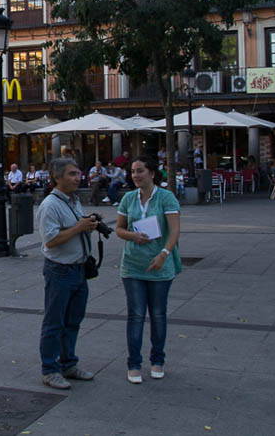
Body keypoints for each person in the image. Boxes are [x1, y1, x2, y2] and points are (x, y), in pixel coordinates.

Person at [114, 156, 182, 384]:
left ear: (152, 173)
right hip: (133, 265)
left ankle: (157, 360)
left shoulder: (166, 198)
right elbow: (119, 229)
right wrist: (133, 235)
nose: (135, 175)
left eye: (140, 171)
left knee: (158, 313)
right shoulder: (128, 199)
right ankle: (134, 364)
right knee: (135, 315)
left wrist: (164, 253)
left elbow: (174, 231)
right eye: (133, 171)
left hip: (159, 264)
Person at [36, 156, 97, 389]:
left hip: (79, 269)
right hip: (60, 270)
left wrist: (87, 224)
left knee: (73, 320)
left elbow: (74, 227)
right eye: (71, 174)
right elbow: (50, 240)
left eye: (78, 173)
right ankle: (50, 369)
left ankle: (68, 363)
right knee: (54, 322)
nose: (77, 177)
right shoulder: (50, 205)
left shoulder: (73, 200)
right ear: (57, 177)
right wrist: (78, 228)